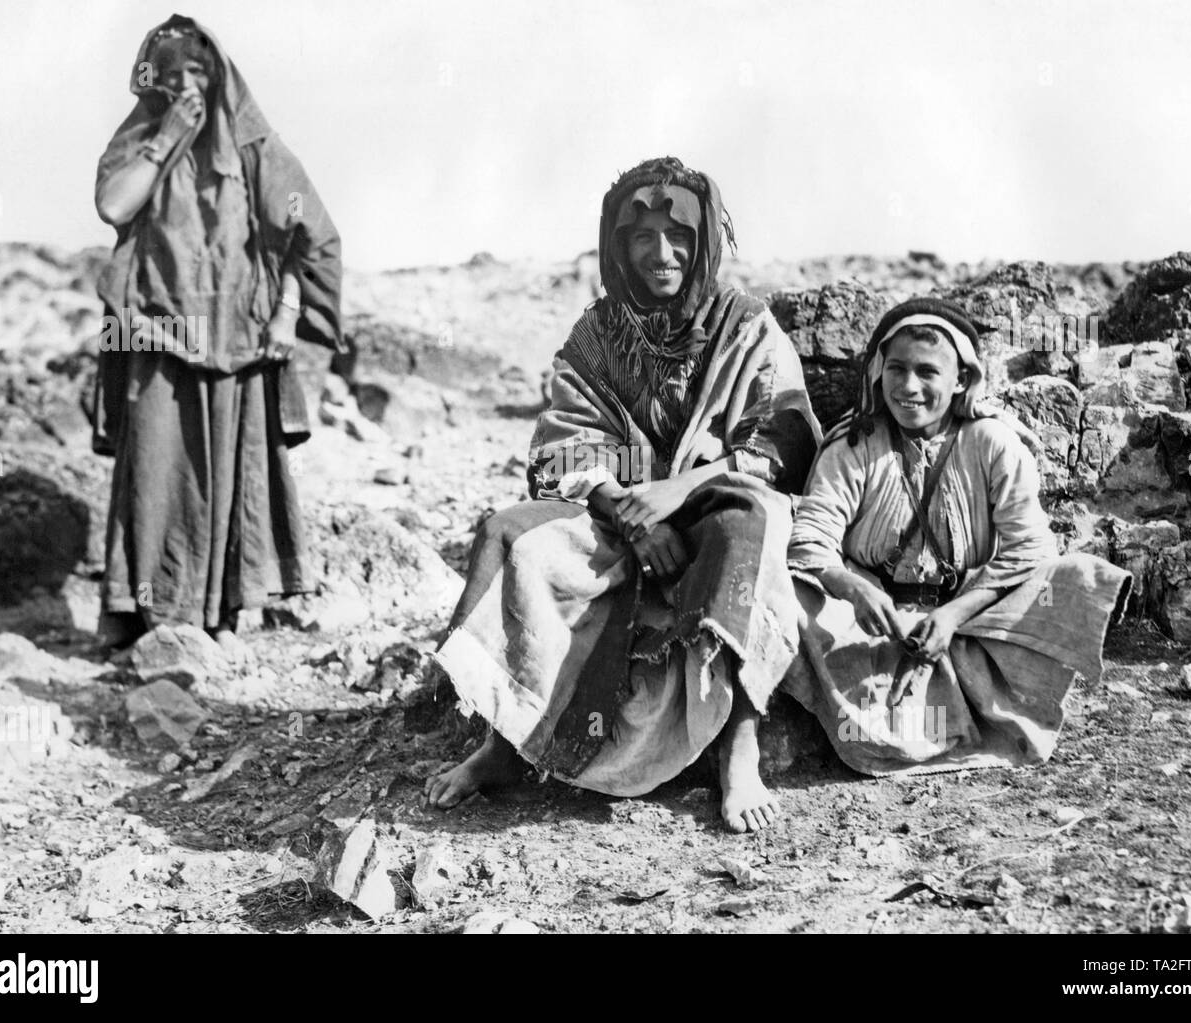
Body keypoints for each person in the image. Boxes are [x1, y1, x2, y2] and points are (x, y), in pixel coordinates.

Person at [425, 157, 820, 832]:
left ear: (703, 245)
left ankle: (738, 742)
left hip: (713, 503)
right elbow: (560, 447)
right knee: (509, 532)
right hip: (619, 519)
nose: (661, 253)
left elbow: (781, 442)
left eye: (678, 237)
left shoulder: (747, 326)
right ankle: (503, 743)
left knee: (752, 525)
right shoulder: (597, 335)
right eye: (642, 238)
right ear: (619, 246)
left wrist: (676, 492)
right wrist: (632, 516)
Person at [784, 297, 1130, 774]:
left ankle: (976, 704)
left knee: (1074, 579)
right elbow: (810, 540)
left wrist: (950, 617)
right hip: (869, 619)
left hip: (970, 619)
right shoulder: (854, 444)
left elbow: (1028, 551)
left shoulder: (992, 442)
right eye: (896, 368)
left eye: (927, 372)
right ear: (879, 370)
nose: (908, 387)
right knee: (786, 589)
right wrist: (854, 587)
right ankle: (887, 713)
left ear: (961, 380)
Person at [91, 15, 342, 657]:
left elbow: (308, 231)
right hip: (158, 335)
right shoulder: (144, 138)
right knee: (155, 468)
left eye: (198, 75)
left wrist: (287, 311)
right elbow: (116, 206)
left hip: (238, 341)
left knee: (233, 472)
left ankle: (220, 615)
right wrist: (167, 138)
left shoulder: (254, 148)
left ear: (221, 78)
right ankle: (141, 615)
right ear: (153, 85)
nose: (186, 89)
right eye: (170, 79)